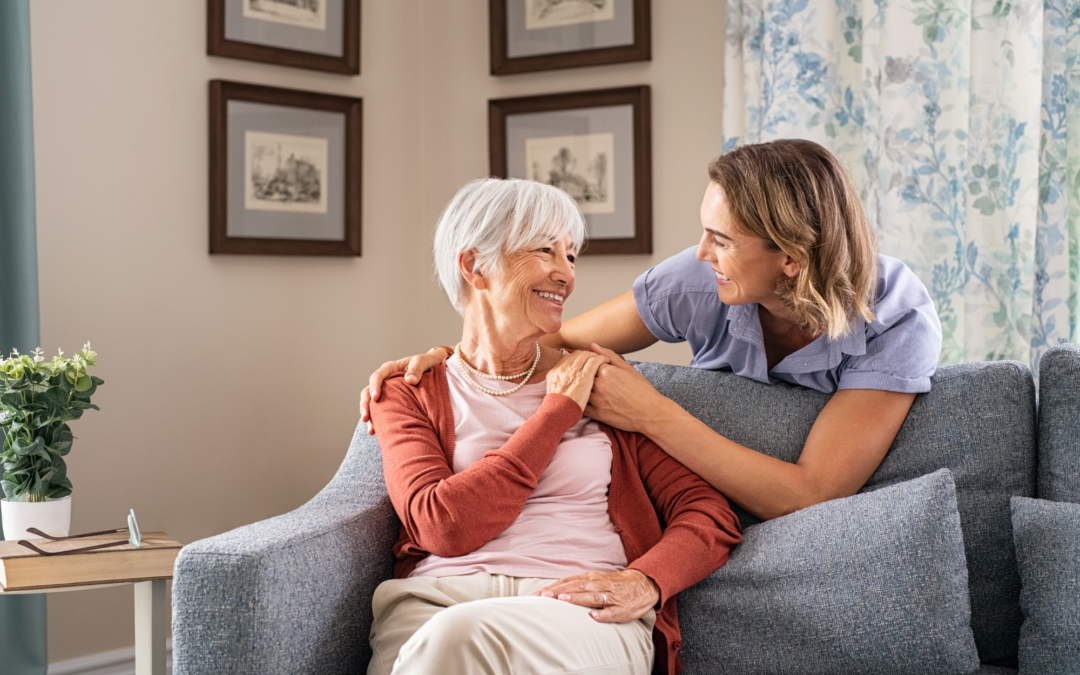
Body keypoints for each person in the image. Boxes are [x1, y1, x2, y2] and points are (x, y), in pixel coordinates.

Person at [362, 139, 943, 522]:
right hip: (696, 500)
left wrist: (652, 413)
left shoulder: (896, 316)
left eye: (722, 240)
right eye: (704, 230)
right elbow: (552, 342)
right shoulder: (696, 279)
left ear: (791, 257)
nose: (701, 252)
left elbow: (812, 494)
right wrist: (451, 360)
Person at [367, 178, 741, 675]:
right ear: (474, 266)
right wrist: (556, 413)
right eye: (545, 250)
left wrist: (646, 582)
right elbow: (442, 526)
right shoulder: (408, 390)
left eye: (571, 256)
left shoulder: (601, 384)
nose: (565, 274)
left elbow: (708, 514)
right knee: (446, 638)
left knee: (456, 640)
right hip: (434, 602)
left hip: (575, 609)